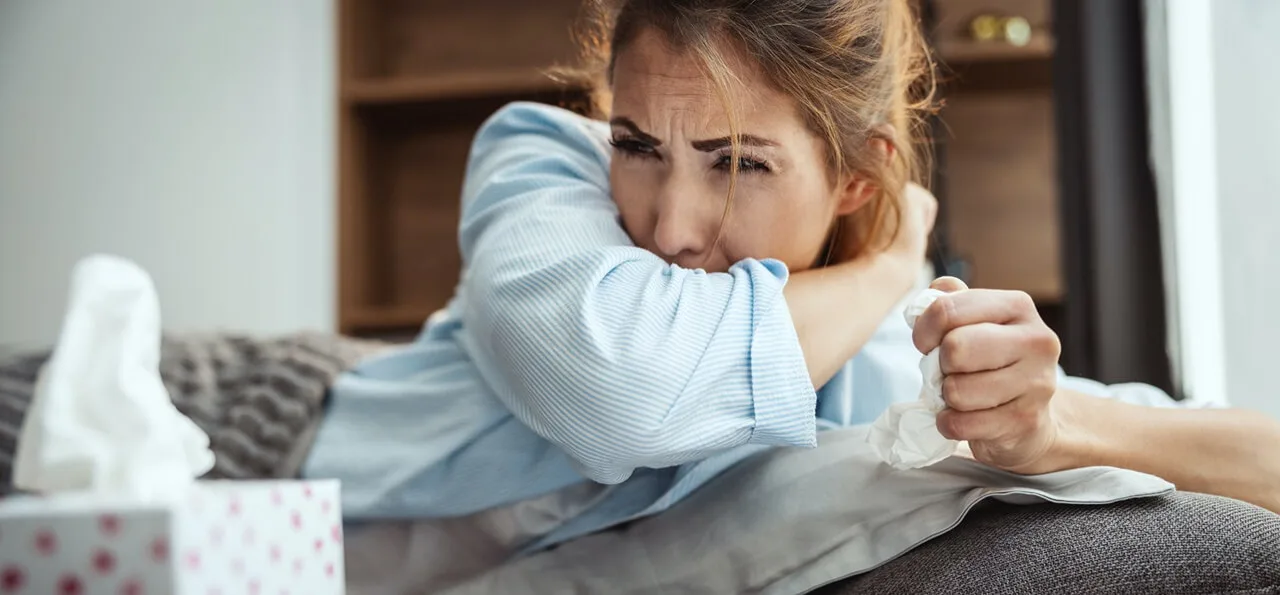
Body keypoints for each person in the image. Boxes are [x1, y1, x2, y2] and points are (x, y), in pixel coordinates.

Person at [303, 0, 1280, 585]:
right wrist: (888, 259)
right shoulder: (542, 168)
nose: (671, 223)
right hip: (271, 516)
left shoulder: (884, 359)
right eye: (639, 146)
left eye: (738, 164)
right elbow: (629, 397)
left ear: (858, 177)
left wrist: (1052, 425)